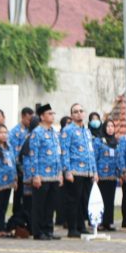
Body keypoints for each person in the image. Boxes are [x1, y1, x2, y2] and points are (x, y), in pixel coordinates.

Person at [60, 103, 98, 238]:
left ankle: (81, 226)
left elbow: (91, 152)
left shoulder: (87, 131)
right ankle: (72, 228)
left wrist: (94, 171)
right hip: (75, 171)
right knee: (73, 200)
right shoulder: (68, 130)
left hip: (87, 171)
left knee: (84, 200)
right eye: (75, 111)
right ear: (71, 115)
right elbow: (64, 151)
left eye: (81, 111)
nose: (79, 113)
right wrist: (67, 171)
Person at [26, 103, 64, 240]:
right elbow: (33, 155)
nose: (52, 116)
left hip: (54, 175)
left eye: (53, 113)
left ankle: (48, 230)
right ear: (42, 117)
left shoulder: (54, 132)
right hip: (41, 175)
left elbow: (58, 154)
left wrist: (60, 173)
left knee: (50, 205)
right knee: (39, 205)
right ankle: (38, 231)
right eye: (49, 114)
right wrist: (35, 175)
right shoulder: (37, 132)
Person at [94, 119, 119, 231]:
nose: (110, 128)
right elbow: (94, 157)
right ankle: (99, 222)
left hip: (112, 175)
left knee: (110, 200)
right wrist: (95, 172)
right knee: (101, 200)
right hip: (101, 175)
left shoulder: (115, 141)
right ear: (104, 128)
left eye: (112, 126)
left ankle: (108, 222)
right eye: (108, 126)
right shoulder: (98, 141)